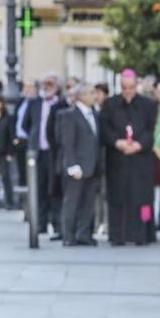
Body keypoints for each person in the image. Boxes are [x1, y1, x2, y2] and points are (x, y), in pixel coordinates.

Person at [99, 69, 158, 245]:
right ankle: (118, 236)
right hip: (118, 159)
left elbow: (153, 129)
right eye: (124, 88)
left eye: (131, 87)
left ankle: (144, 235)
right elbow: (104, 128)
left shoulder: (148, 105)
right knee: (117, 198)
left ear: (136, 86)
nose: (128, 91)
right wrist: (118, 142)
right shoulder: (110, 104)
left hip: (141, 159)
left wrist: (140, 144)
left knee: (144, 199)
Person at [22, 73, 66, 235]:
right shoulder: (35, 103)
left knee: (54, 189)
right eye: (44, 83)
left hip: (54, 153)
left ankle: (57, 223)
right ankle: (40, 223)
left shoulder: (61, 105)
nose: (46, 86)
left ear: (57, 87)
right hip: (38, 152)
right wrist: (34, 137)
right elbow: (25, 124)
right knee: (38, 188)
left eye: (50, 83)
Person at [59, 84, 102, 246]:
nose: (95, 96)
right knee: (72, 202)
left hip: (93, 166)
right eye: (91, 93)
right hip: (77, 167)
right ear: (81, 96)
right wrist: (72, 165)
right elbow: (67, 142)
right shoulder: (71, 115)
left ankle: (83, 234)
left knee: (88, 203)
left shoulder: (95, 114)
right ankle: (68, 236)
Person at [13, 79, 40, 188]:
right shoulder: (20, 102)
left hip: (30, 140)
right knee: (21, 170)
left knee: (32, 169)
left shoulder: (38, 103)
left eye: (30, 87)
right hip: (19, 139)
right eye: (25, 87)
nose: (27, 89)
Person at [93, 83, 109, 237]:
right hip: (94, 159)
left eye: (99, 93)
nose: (96, 97)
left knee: (105, 193)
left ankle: (106, 222)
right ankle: (97, 222)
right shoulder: (92, 111)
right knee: (96, 193)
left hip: (106, 157)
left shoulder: (108, 111)